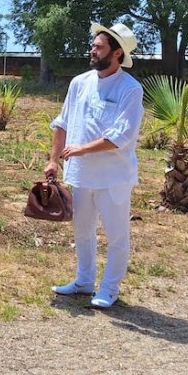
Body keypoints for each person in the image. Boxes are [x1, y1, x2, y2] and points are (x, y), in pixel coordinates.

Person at [44, 23, 144, 309]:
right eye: (93, 45)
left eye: (99, 47)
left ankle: (109, 289)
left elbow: (122, 136)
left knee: (116, 236)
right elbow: (61, 122)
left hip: (114, 177)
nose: (92, 50)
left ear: (116, 53)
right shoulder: (79, 83)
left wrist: (81, 149)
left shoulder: (130, 89)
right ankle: (84, 281)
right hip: (81, 175)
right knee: (82, 231)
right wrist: (53, 159)